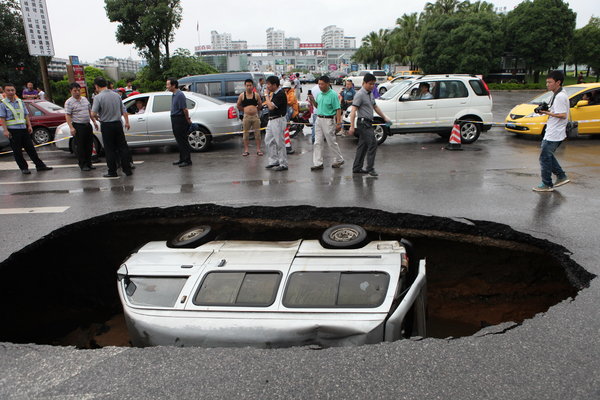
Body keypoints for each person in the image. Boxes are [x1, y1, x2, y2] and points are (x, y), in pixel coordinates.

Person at [0, 83, 52, 174]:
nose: (11, 92)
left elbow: (26, 114)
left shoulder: (20, 101)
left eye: (12, 90)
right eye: (8, 90)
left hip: (23, 128)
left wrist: (29, 125)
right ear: (4, 92)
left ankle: (40, 165)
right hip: (13, 130)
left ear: (15, 91)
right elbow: (2, 118)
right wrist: (5, 130)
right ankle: (24, 168)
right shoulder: (3, 104)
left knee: (31, 148)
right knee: (17, 151)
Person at [533, 70, 570, 192]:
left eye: (550, 82)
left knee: (544, 158)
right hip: (553, 131)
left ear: (558, 82)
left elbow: (562, 115)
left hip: (554, 133)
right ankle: (561, 176)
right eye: (547, 82)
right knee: (547, 156)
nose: (547, 84)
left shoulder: (560, 96)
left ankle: (547, 183)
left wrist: (545, 112)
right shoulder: (558, 94)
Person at [349, 73, 392, 177]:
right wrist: (351, 126)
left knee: (362, 146)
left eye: (374, 84)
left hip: (369, 122)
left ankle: (357, 168)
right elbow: (353, 111)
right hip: (363, 123)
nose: (372, 86)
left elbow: (375, 107)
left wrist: (384, 117)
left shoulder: (370, 93)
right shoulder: (360, 94)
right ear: (364, 83)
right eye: (370, 84)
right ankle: (370, 168)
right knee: (373, 143)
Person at [91, 77, 133, 177]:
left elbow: (93, 113)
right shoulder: (116, 95)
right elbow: (123, 110)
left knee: (110, 149)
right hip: (118, 124)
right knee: (123, 147)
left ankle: (112, 171)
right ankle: (127, 169)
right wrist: (126, 122)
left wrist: (98, 117)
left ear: (96, 86)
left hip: (106, 125)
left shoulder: (98, 97)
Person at [308, 75, 344, 171]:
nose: (320, 86)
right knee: (317, 142)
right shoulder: (319, 94)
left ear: (328, 84)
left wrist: (338, 122)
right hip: (319, 119)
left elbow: (338, 109)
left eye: (322, 84)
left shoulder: (333, 94)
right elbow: (317, 105)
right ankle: (318, 163)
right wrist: (312, 100)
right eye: (319, 84)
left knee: (331, 141)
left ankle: (339, 159)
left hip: (328, 120)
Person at [65, 82, 99, 171]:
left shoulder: (84, 99)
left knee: (89, 146)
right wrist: (71, 127)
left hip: (87, 125)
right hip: (78, 126)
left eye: (78, 90)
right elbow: (68, 115)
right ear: (71, 91)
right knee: (81, 146)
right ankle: (83, 164)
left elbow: (89, 111)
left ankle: (89, 163)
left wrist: (94, 122)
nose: (77, 92)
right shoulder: (69, 102)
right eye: (75, 91)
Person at [264, 75, 288, 171]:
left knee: (279, 142)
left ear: (274, 85)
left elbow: (271, 106)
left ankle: (283, 163)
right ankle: (274, 160)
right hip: (271, 120)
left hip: (278, 119)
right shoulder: (274, 93)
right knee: (268, 140)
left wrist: (266, 95)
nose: (267, 87)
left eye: (269, 84)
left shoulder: (280, 94)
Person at [166, 77, 192, 167]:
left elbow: (184, 109)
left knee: (183, 140)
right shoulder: (174, 95)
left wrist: (187, 119)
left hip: (180, 119)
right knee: (179, 140)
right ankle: (182, 158)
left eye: (168, 85)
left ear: (173, 85)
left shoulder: (180, 95)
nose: (167, 86)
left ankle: (187, 160)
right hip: (175, 119)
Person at [236, 78, 263, 156]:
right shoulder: (242, 95)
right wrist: (244, 110)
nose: (249, 87)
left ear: (252, 86)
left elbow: (260, 104)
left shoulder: (256, 95)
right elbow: (238, 105)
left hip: (255, 116)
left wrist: (256, 109)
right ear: (245, 86)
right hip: (246, 117)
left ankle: (258, 149)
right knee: (246, 134)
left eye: (250, 85)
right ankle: (246, 150)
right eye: (247, 85)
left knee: (257, 133)